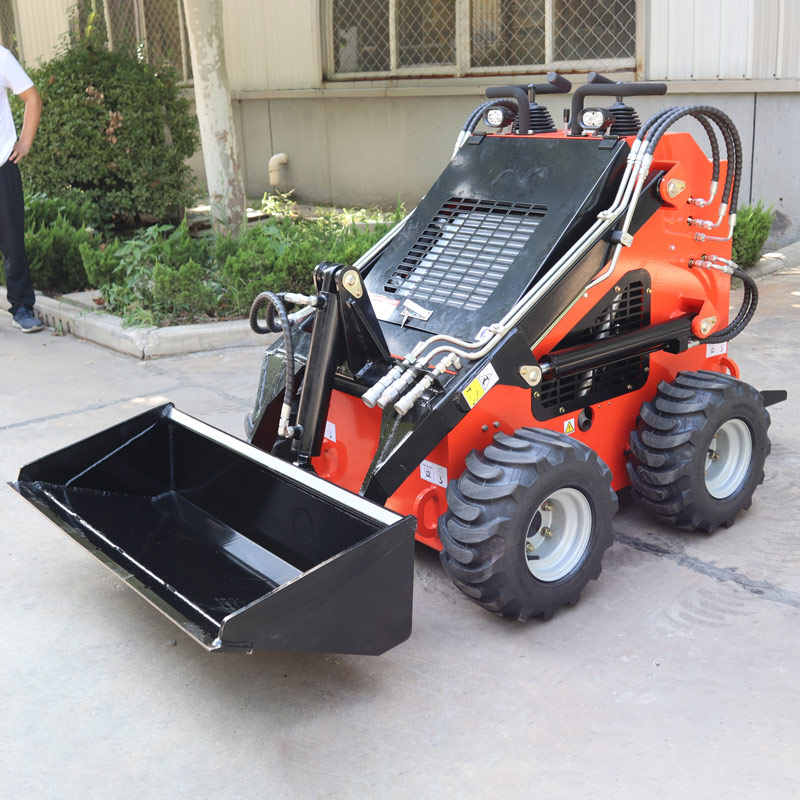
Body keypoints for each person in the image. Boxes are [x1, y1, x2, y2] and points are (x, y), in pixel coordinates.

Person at [0, 45, 42, 332]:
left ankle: (22, 307)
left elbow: (32, 98)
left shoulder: (0, 57)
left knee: (13, 242)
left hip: (2, 163)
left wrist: (25, 142)